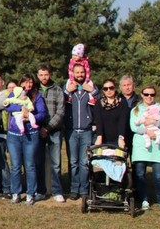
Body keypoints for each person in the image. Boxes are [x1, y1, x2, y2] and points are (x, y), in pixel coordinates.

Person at [6, 74, 47, 205]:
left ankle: (30, 193)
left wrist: (28, 116)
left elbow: (42, 113)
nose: (28, 85)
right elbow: (7, 105)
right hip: (14, 135)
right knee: (15, 166)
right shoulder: (15, 92)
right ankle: (16, 193)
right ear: (21, 83)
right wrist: (20, 108)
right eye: (25, 82)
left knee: (30, 165)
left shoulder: (37, 96)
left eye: (30, 82)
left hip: (30, 135)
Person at [129, 86, 160, 211]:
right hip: (141, 146)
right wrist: (146, 131)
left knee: (158, 176)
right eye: (146, 94)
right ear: (142, 95)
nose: (149, 97)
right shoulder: (136, 110)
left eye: (152, 94)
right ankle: (144, 200)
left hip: (158, 147)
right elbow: (133, 127)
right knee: (140, 175)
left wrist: (154, 123)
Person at [63, 64, 99, 201]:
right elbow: (60, 100)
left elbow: (100, 100)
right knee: (73, 162)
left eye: (82, 72)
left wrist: (92, 91)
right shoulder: (68, 87)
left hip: (86, 131)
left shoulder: (91, 87)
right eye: (77, 72)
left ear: (86, 73)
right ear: (73, 73)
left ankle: (84, 189)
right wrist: (67, 91)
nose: (79, 75)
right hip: (71, 130)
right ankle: (74, 189)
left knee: (84, 162)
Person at [36, 65, 66, 202]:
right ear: (38, 76)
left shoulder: (57, 90)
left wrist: (47, 128)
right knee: (39, 162)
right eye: (41, 75)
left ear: (50, 74)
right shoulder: (34, 90)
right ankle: (41, 190)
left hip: (54, 131)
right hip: (37, 130)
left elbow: (61, 111)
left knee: (56, 163)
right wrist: (39, 128)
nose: (44, 77)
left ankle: (57, 191)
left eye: (46, 74)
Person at [93, 79, 131, 150]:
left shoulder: (122, 102)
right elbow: (99, 121)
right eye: (105, 89)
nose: (108, 90)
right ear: (103, 91)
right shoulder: (99, 103)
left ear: (115, 88)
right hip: (103, 139)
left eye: (111, 88)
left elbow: (122, 121)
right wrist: (99, 137)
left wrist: (121, 138)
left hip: (118, 139)